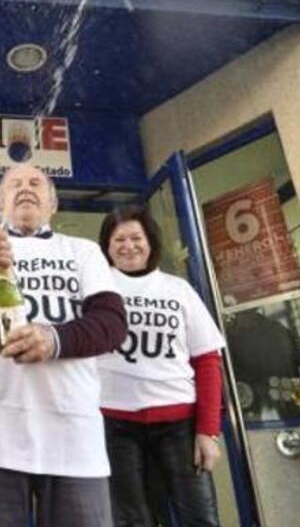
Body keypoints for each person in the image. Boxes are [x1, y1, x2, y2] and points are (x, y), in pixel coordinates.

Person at [0, 163, 127, 527]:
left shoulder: (83, 252)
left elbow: (112, 325)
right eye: (14, 184)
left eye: (36, 183)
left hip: (73, 436)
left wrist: (54, 339)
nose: (26, 188)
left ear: (53, 203)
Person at [96, 206, 225, 527]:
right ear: (107, 247)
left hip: (179, 425)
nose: (128, 246)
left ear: (150, 242)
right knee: (131, 520)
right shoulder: (95, 290)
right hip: (115, 428)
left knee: (199, 516)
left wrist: (208, 430)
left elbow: (207, 360)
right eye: (118, 239)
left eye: (136, 237)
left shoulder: (178, 289)